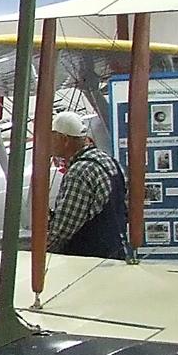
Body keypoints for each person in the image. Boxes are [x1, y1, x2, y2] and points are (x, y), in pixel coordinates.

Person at [48, 110, 129, 259]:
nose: (50, 144)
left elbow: (62, 230)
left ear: (64, 140)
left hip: (88, 261)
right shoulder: (109, 161)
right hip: (116, 254)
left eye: (52, 138)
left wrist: (39, 254)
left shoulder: (79, 172)